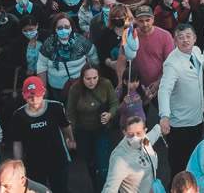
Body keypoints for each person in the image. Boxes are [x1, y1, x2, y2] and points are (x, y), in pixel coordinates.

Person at [157, 23, 204, 182]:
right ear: (175, 40)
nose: (185, 40)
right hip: (180, 126)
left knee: (195, 164)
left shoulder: (196, 51)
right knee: (179, 167)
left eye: (188, 36)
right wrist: (164, 116)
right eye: (180, 37)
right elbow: (164, 90)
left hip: (197, 120)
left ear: (195, 38)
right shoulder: (172, 63)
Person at [10, 76, 74, 193]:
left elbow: (65, 125)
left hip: (57, 159)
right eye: (30, 96)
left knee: (61, 189)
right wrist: (18, 164)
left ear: (43, 92)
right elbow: (17, 142)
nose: (34, 99)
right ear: (24, 96)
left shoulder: (56, 107)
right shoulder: (18, 116)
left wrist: (71, 139)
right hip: (34, 163)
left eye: (37, 95)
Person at [66, 65, 117, 193]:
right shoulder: (75, 89)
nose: (92, 81)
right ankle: (96, 187)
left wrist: (110, 114)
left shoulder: (106, 84)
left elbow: (114, 103)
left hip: (101, 129)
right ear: (82, 78)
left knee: (103, 165)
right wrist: (70, 137)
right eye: (88, 79)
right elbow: (70, 114)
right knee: (90, 164)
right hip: (83, 131)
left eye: (95, 78)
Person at [37, 14, 99, 102]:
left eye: (66, 27)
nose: (63, 30)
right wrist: (43, 88)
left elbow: (94, 58)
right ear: (55, 29)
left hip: (80, 85)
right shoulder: (48, 44)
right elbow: (41, 66)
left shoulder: (81, 41)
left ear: (71, 27)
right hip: (57, 88)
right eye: (60, 28)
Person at [101, 115, 162, 193]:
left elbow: (152, 136)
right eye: (131, 134)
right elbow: (110, 189)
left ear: (145, 131)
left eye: (138, 133)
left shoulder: (144, 140)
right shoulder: (119, 159)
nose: (135, 138)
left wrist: (160, 127)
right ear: (124, 133)